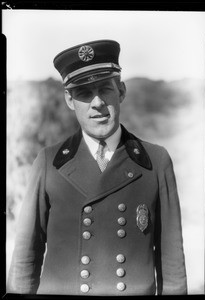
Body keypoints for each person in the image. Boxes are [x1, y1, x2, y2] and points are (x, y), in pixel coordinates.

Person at [7, 39, 187, 295]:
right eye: (83, 93)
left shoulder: (156, 162)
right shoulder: (49, 162)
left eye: (105, 89)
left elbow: (172, 269)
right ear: (69, 100)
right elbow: (25, 260)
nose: (97, 103)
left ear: (121, 91)